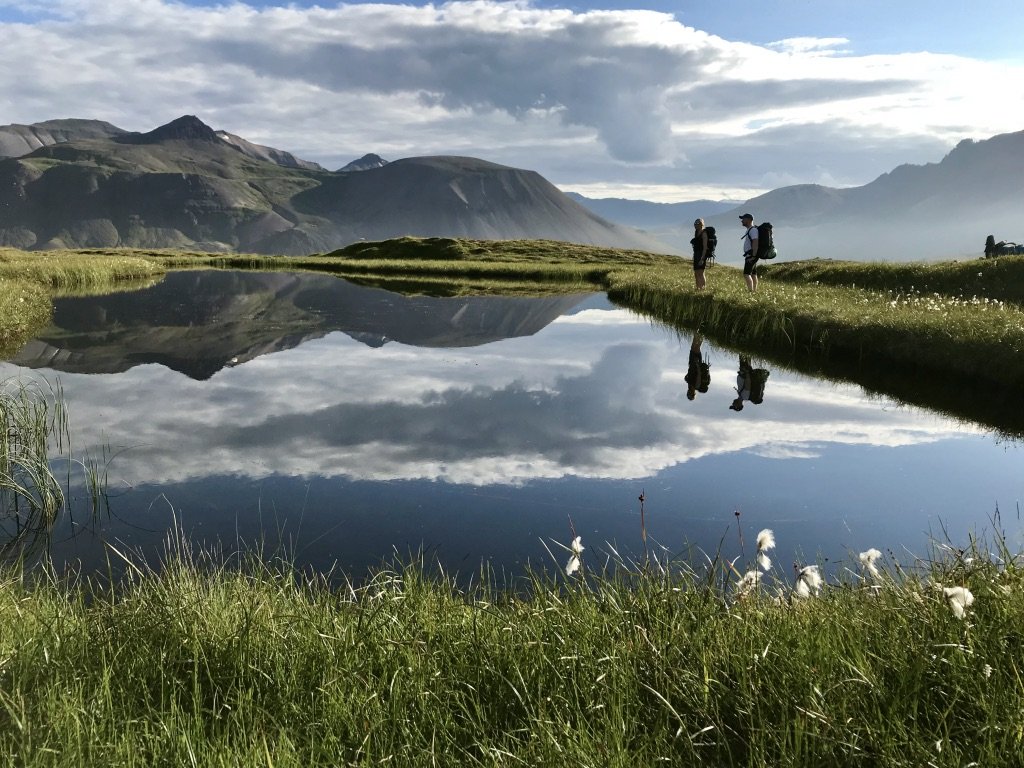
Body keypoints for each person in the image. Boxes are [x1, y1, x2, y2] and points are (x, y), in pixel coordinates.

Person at [684, 333, 710, 400]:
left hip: (692, 363)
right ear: (693, 393)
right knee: (697, 347)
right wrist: (697, 364)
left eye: (688, 393)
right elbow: (699, 374)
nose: (689, 392)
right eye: (690, 393)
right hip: (696, 364)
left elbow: (688, 374)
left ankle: (698, 332)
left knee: (693, 347)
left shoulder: (689, 384)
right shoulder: (697, 386)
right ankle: (702, 333)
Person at [739, 212, 758, 292]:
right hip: (752, 255)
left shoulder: (753, 230)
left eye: (743, 219)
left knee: (746, 274)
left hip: (751, 255)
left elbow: (755, 242)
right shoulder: (750, 230)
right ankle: (754, 290)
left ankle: (750, 291)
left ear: (749, 220)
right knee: (753, 274)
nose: (742, 221)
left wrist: (753, 256)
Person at [690, 218, 709, 290]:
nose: (695, 225)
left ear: (701, 224)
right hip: (696, 254)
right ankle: (698, 288)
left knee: (701, 273)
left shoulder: (704, 233)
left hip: (701, 255)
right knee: (696, 273)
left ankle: (703, 289)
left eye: (697, 224)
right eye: (695, 224)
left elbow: (705, 247)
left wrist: (702, 258)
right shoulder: (696, 232)